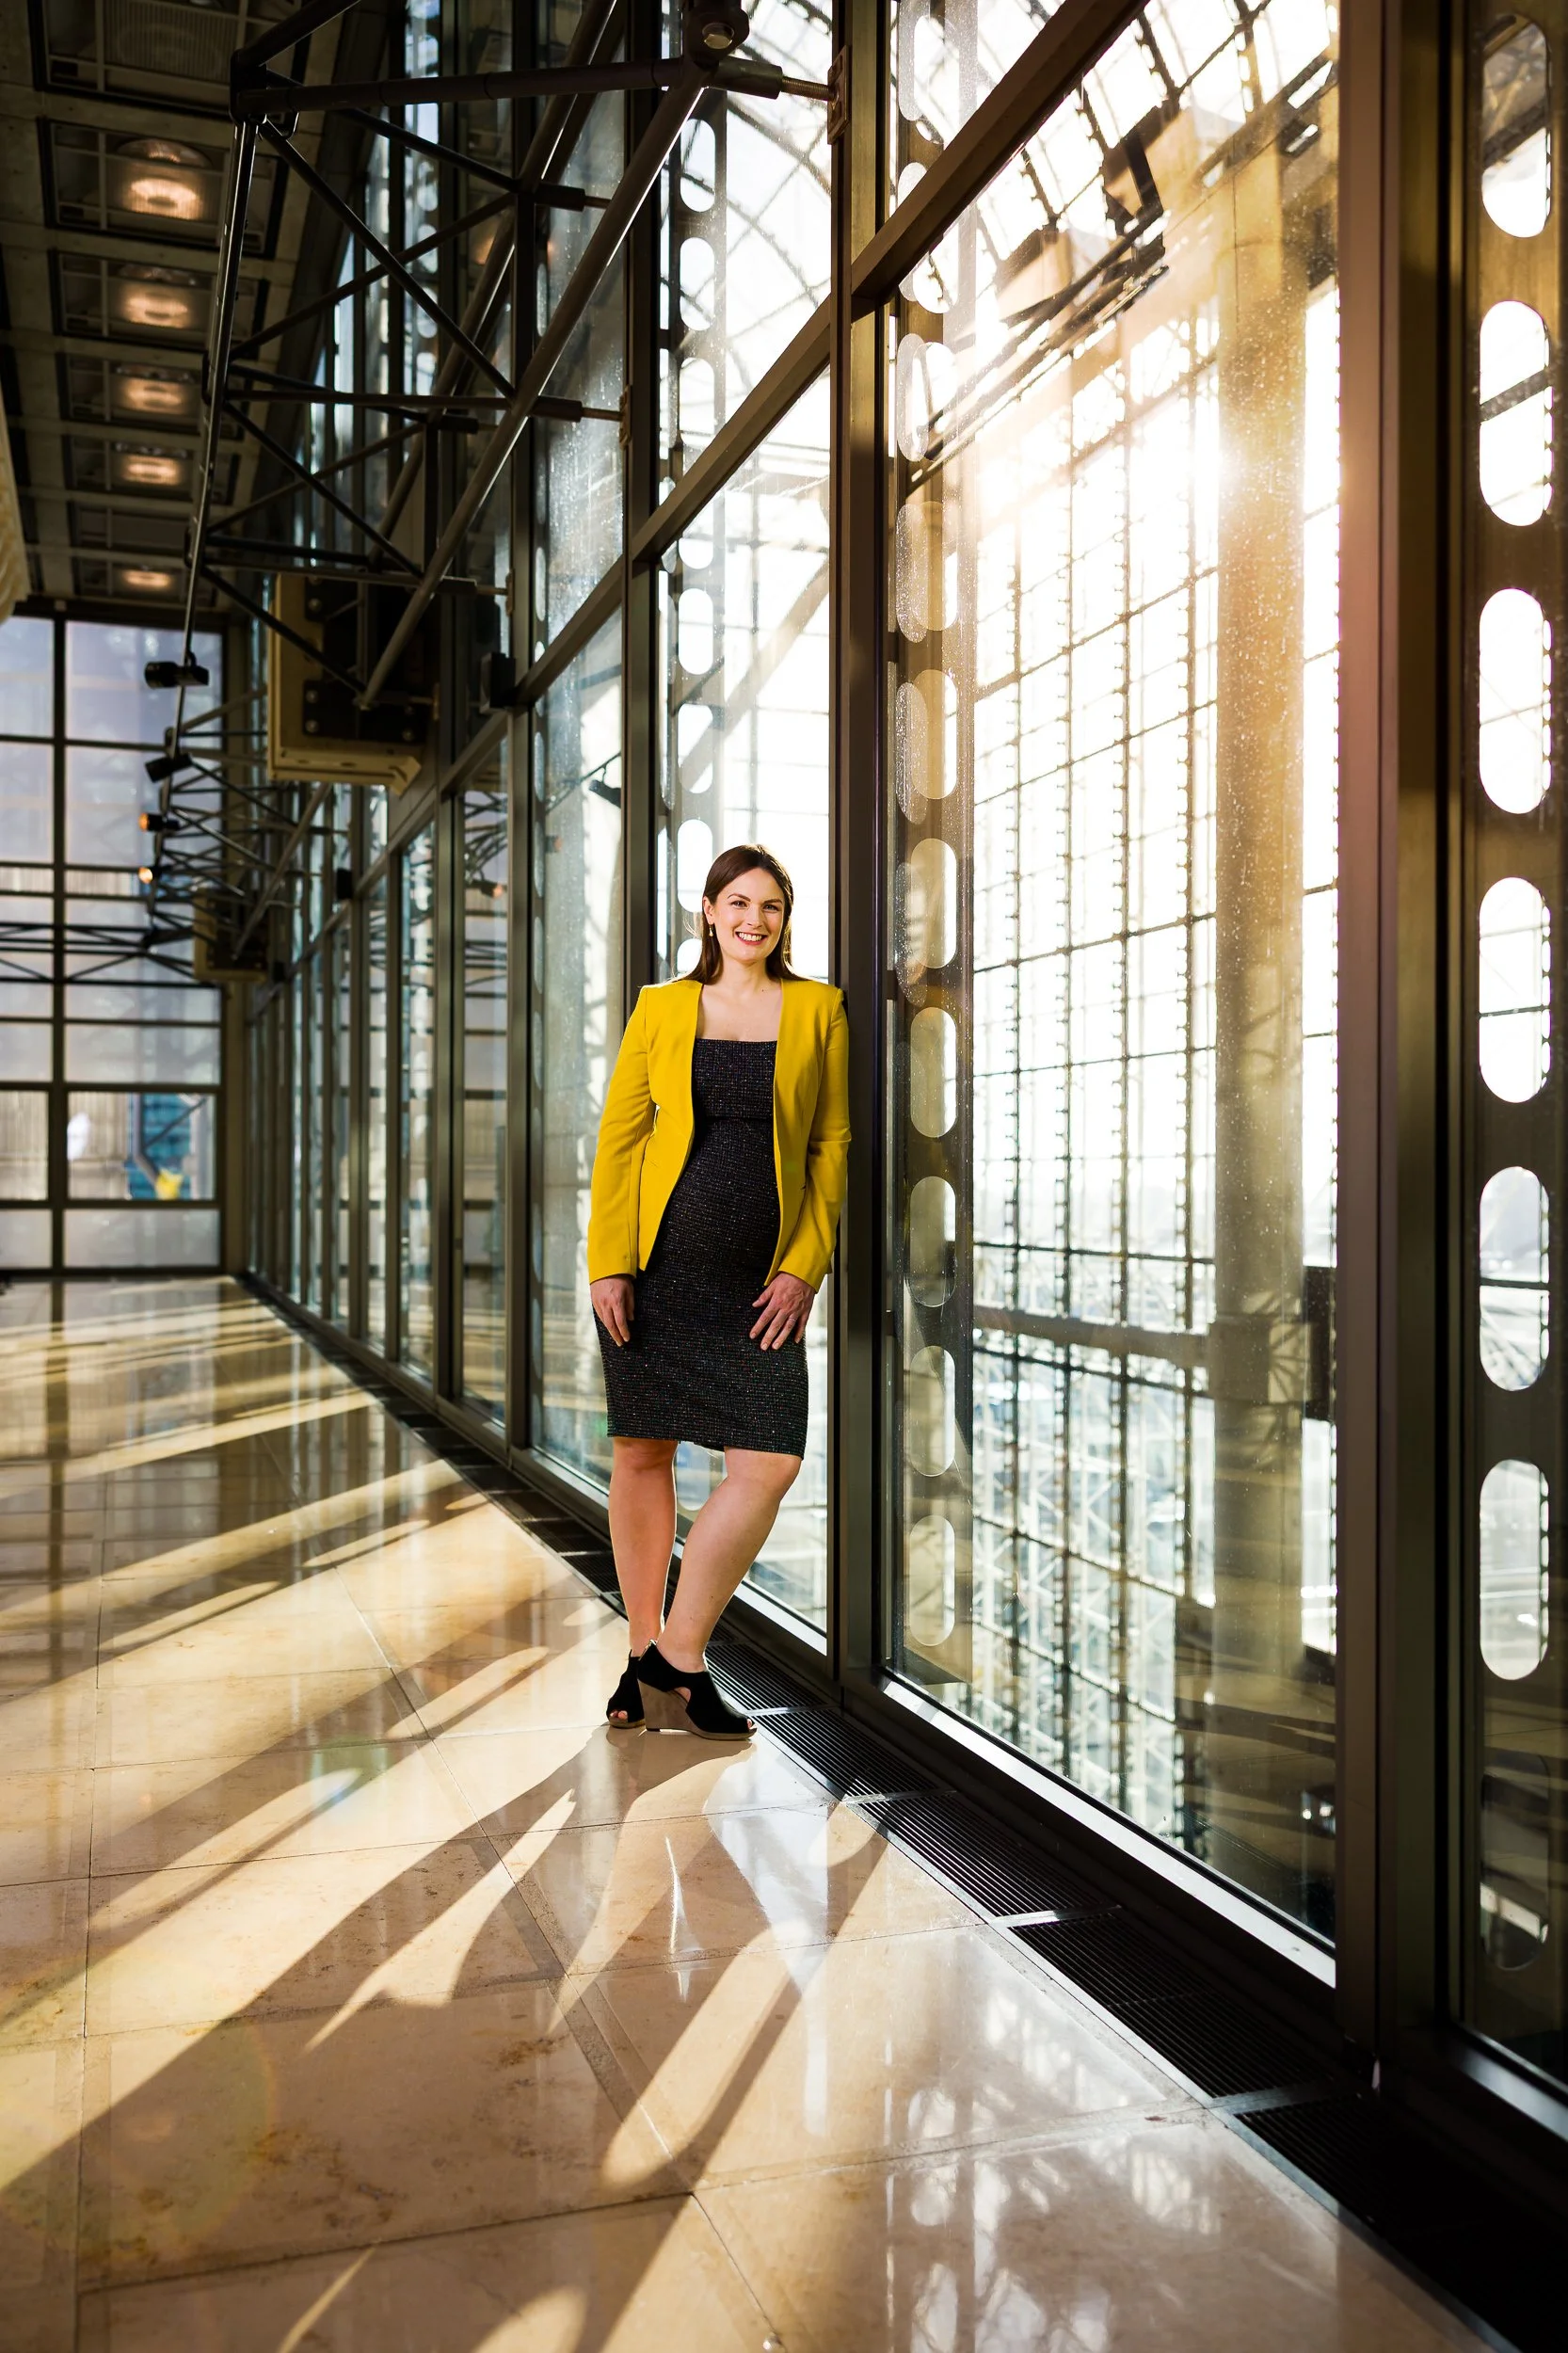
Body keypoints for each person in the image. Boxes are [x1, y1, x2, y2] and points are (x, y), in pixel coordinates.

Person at [586, 843, 849, 1739]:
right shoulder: (662, 1007)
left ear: (784, 919)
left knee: (769, 1460)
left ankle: (680, 1655)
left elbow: (831, 1148)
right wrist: (607, 1264)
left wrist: (803, 1266)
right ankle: (644, 1658)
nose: (754, 920)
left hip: (762, 1280)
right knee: (642, 1454)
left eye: (771, 906)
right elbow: (620, 1141)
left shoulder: (819, 1010)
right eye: (738, 903)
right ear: (707, 911)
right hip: (657, 1268)